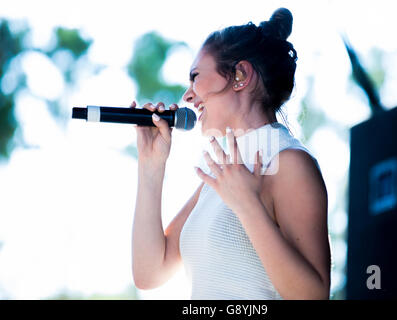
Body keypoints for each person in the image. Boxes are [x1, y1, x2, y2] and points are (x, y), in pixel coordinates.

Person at [131, 8, 331, 300]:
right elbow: (149, 273)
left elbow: (314, 296)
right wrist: (151, 166)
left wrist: (247, 205)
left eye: (195, 77)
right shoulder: (221, 175)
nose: (187, 96)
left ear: (240, 75)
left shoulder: (289, 162)